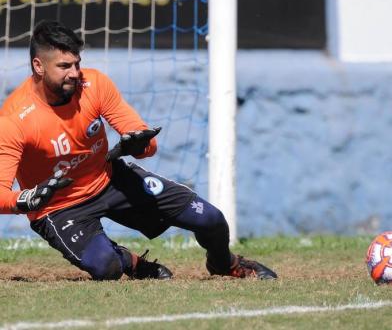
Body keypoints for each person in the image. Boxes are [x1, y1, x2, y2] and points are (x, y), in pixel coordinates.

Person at [0, 19, 278, 281]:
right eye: (64, 66)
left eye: (77, 63)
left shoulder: (94, 85)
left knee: (210, 218)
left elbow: (144, 138)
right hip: (60, 208)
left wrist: (139, 144)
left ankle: (225, 264)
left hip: (109, 181)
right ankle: (131, 262)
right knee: (105, 267)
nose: (74, 73)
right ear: (38, 66)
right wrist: (26, 199)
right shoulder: (14, 119)